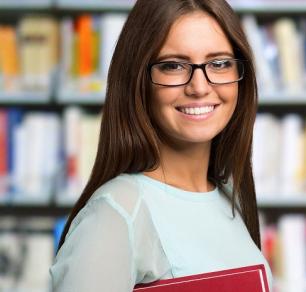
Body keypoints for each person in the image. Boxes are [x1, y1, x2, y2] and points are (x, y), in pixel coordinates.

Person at [50, 0, 272, 290]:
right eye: (173, 66)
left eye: (219, 64)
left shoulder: (229, 196)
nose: (200, 87)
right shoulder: (117, 215)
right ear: (138, 80)